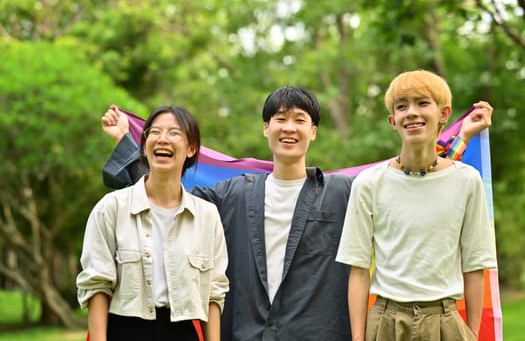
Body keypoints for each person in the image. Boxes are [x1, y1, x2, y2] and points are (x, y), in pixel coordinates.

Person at [99, 86, 492, 341]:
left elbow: (408, 176)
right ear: (266, 129)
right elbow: (166, 194)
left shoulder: (345, 192)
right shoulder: (231, 195)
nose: (290, 127)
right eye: (280, 120)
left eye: (300, 120)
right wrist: (125, 142)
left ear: (314, 132)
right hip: (247, 334)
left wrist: (461, 138)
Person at [335, 70, 498, 341]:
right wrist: (358, 338)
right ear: (393, 121)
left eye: (422, 103)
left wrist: (471, 333)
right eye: (402, 106)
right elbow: (359, 269)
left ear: (443, 114)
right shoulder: (368, 183)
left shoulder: (467, 181)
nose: (411, 112)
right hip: (385, 320)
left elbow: (474, 265)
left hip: (445, 320)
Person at [77, 106, 229, 341]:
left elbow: (213, 294)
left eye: (174, 133)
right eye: (154, 132)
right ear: (145, 146)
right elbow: (97, 285)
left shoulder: (207, 216)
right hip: (124, 329)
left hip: (183, 332)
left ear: (191, 148)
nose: (162, 139)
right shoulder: (112, 208)